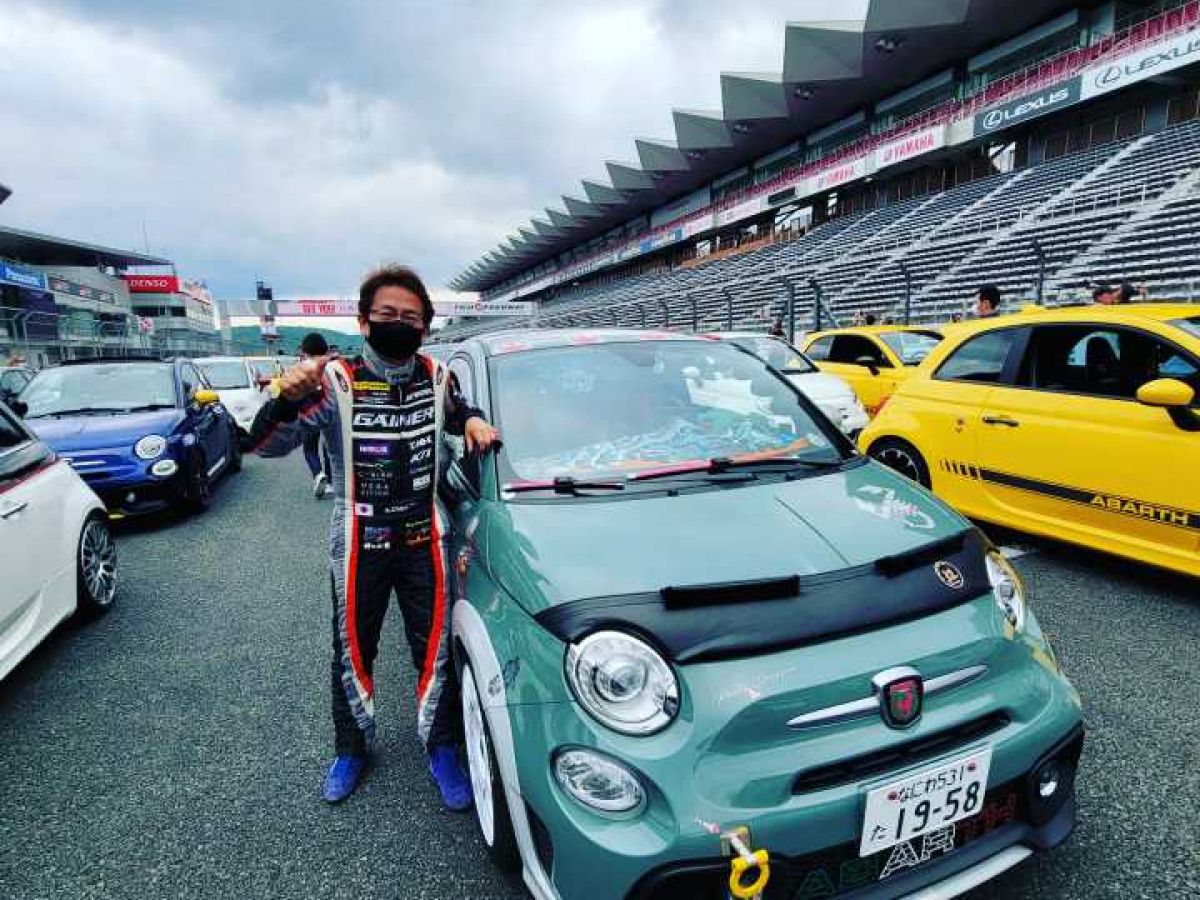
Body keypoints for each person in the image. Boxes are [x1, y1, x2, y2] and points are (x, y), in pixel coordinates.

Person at [250, 265, 500, 807]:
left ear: (425, 326)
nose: (400, 324)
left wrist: (473, 421)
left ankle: (442, 747)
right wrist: (286, 399)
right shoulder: (333, 381)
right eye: (388, 314)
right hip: (358, 535)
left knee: (434, 648)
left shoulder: (437, 376)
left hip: (422, 533)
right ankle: (351, 748)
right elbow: (266, 446)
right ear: (364, 321)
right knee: (351, 648)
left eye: (411, 317)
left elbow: (460, 412)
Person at [297, 332, 333, 499]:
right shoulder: (332, 368)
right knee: (329, 448)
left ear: (305, 351)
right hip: (330, 413)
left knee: (310, 448)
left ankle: (318, 474)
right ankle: (330, 482)